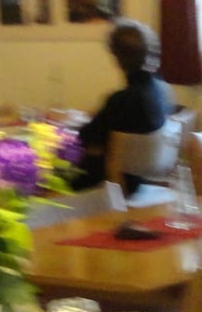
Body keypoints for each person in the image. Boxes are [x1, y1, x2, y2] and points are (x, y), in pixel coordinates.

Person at [70, 19, 173, 195]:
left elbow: (85, 139)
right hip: (141, 180)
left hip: (113, 183)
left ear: (117, 59)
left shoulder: (121, 99)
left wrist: (71, 127)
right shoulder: (161, 90)